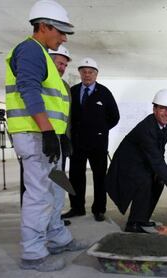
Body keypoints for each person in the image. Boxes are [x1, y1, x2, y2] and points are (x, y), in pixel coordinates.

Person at [5, 0, 86, 272]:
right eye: (60, 31)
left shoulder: (41, 54)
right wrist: (48, 131)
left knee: (56, 188)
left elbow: (54, 104)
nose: (63, 38)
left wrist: (61, 135)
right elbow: (29, 90)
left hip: (48, 137)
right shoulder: (30, 50)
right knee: (39, 195)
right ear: (42, 26)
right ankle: (33, 253)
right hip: (35, 136)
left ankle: (57, 236)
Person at [106, 89, 167, 233]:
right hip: (127, 165)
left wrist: (166, 178)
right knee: (145, 181)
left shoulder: (164, 125)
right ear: (154, 109)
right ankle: (133, 224)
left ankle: (142, 219)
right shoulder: (146, 129)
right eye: (163, 109)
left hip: (143, 161)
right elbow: (157, 160)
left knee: (159, 180)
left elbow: (159, 155)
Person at [62, 57, 120, 222]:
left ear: (96, 75)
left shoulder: (104, 92)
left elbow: (115, 117)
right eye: (84, 72)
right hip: (77, 143)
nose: (87, 75)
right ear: (80, 73)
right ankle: (77, 207)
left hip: (98, 144)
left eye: (91, 72)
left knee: (100, 177)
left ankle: (99, 209)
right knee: (75, 176)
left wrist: (101, 130)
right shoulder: (72, 91)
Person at [48, 45, 73, 226]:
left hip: (58, 140)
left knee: (58, 184)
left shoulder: (64, 86)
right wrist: (47, 135)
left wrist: (66, 137)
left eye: (65, 65)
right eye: (59, 63)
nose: (62, 68)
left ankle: (55, 223)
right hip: (43, 140)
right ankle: (44, 226)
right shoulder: (41, 80)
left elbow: (66, 115)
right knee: (41, 189)